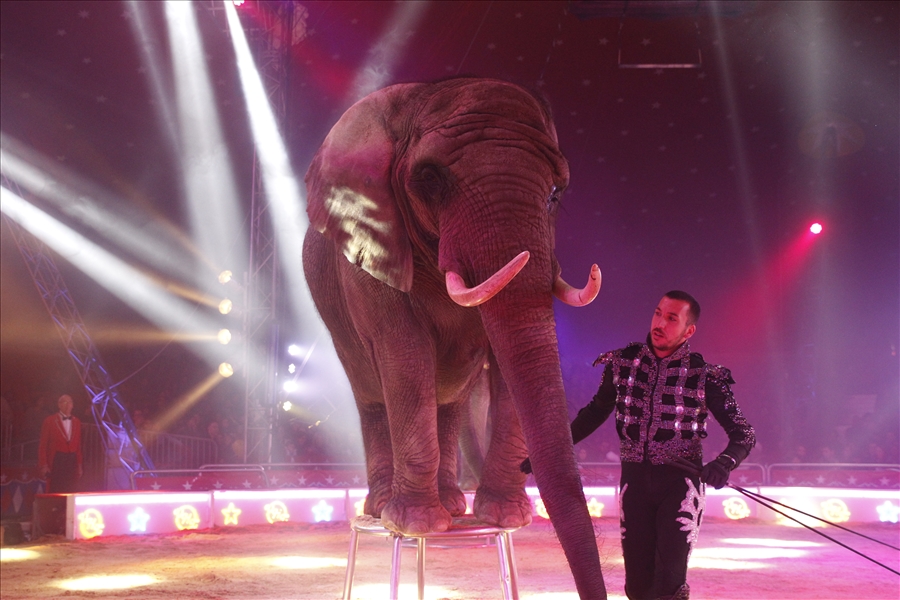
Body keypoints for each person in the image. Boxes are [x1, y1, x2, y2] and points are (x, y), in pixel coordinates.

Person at [523, 290, 755, 600]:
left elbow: (744, 434)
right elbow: (594, 413)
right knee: (637, 584)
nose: (660, 323)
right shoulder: (622, 363)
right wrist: (548, 451)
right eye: (658, 313)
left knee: (669, 583)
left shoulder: (705, 377)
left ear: (689, 331)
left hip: (681, 486)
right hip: (634, 484)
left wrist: (724, 463)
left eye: (671, 318)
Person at [38, 394, 84, 493]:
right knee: (56, 488)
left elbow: (78, 446)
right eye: (65, 402)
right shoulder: (50, 420)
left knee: (71, 488)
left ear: (73, 405)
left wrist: (79, 465)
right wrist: (44, 465)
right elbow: (43, 445)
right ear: (59, 405)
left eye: (70, 402)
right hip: (57, 459)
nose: (68, 405)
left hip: (72, 459)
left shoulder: (77, 422)